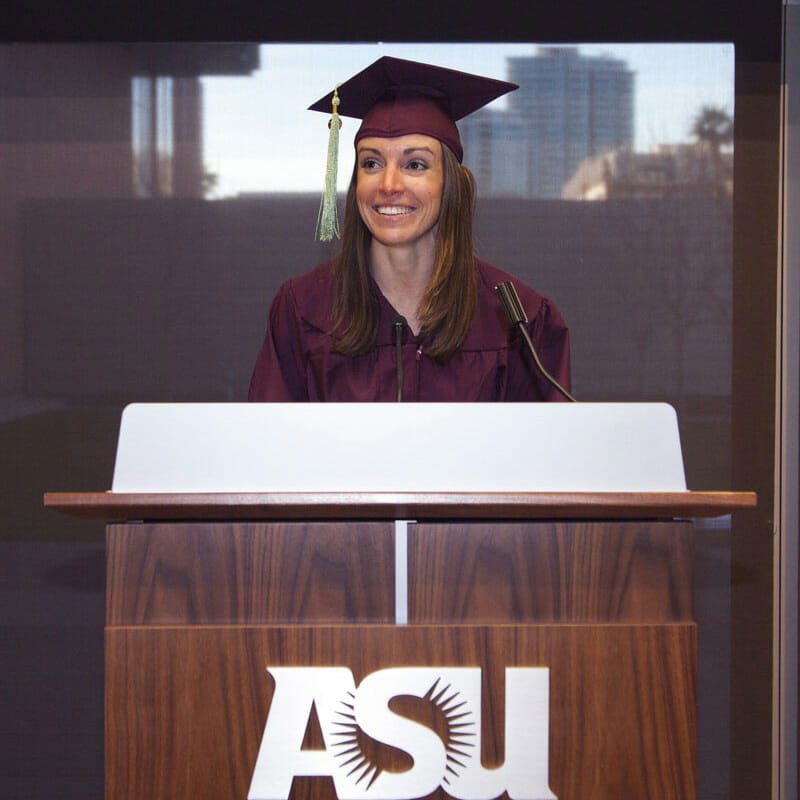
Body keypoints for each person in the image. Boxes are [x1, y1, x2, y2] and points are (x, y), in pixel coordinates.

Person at [248, 56, 570, 402]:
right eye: (371, 163)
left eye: (414, 164)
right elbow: (268, 446)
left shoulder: (519, 319)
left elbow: (546, 451)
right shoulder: (304, 309)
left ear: (450, 184)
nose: (388, 184)